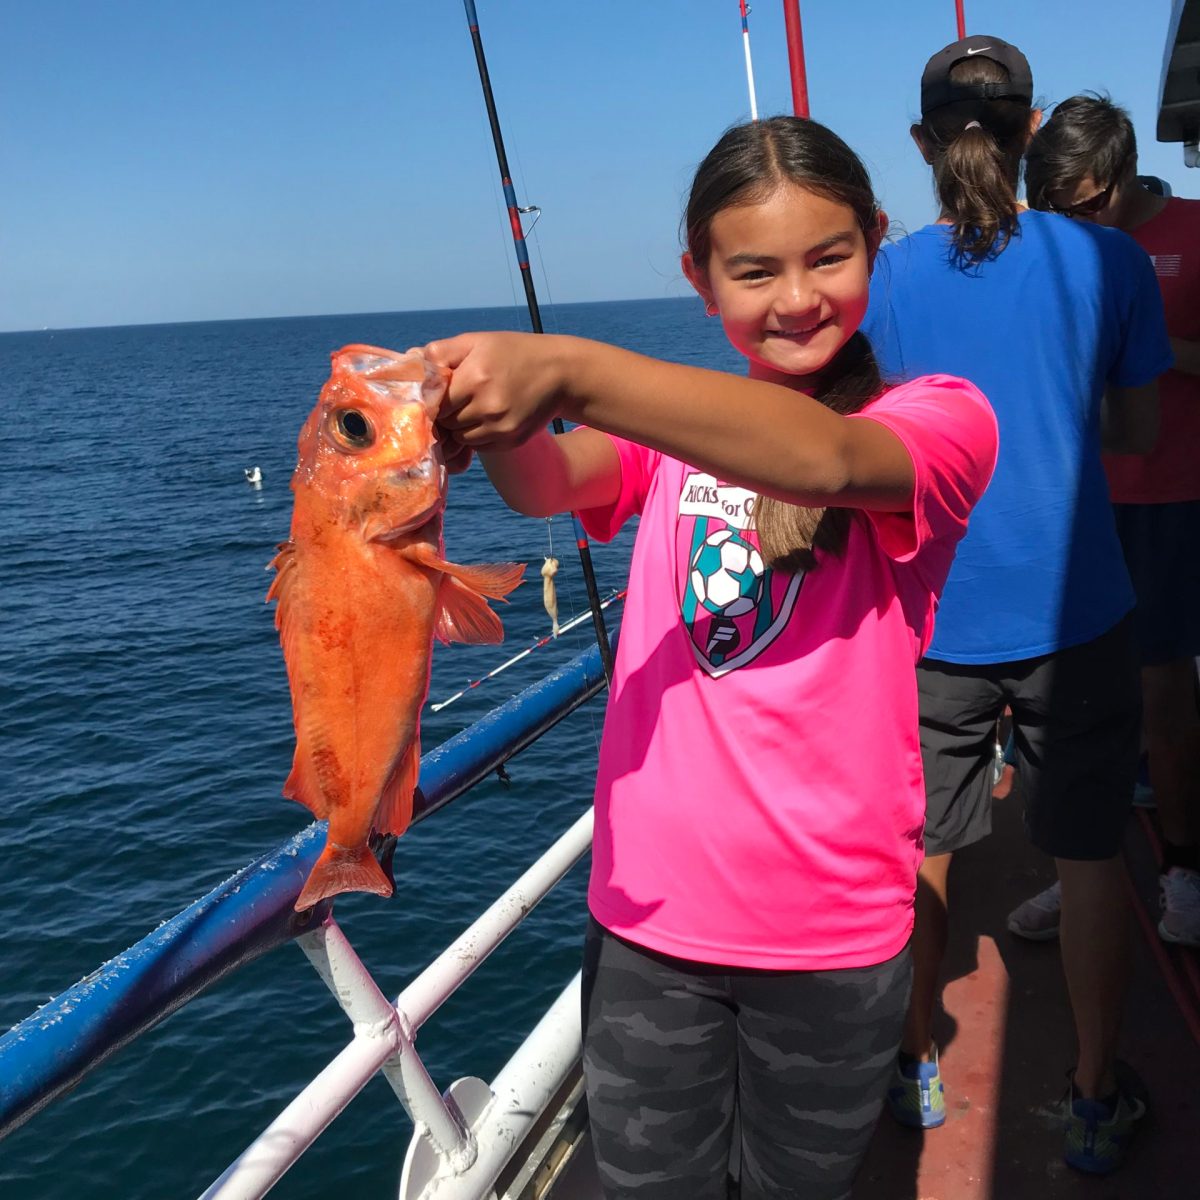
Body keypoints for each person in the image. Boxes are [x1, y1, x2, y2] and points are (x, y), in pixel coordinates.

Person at [425, 116, 997, 1200]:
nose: (795, 297)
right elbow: (552, 483)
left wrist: (568, 368)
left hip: (831, 933)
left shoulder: (940, 418)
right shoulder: (668, 440)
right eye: (753, 270)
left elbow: (825, 458)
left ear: (878, 240)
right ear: (700, 278)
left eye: (829, 256)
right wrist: (493, 420)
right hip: (648, 918)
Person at [861, 37, 1171, 1175]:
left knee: (923, 850)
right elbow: (1135, 433)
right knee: (1088, 857)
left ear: (921, 143)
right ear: (1034, 129)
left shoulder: (880, 277)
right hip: (1079, 610)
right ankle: (1093, 1096)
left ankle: (915, 1067)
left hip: (927, 622)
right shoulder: (1108, 263)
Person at [1011, 96, 1200, 947]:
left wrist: (1144, 340)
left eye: (1087, 206)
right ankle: (1082, 873)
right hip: (1078, 499)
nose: (1072, 225)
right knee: (1075, 697)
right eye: (1057, 208)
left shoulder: (1192, 230)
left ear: (1124, 178)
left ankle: (1184, 872)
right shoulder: (1049, 245)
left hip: (1172, 496)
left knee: (1163, 689)